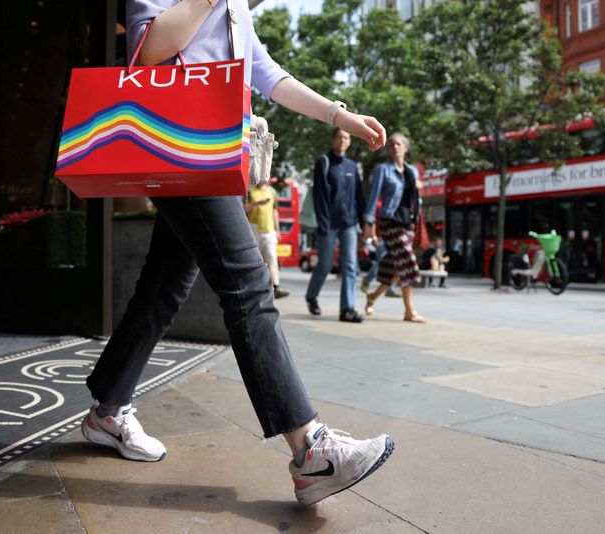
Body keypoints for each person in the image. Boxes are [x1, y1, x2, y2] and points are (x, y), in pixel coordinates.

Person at [81, 0, 394, 506]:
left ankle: (107, 410)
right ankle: (312, 451)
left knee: (164, 286)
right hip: (179, 142)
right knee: (248, 283)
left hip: (214, 150)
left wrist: (339, 115)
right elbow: (147, 48)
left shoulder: (235, 8)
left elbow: (265, 72)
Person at [362, 133, 426, 323]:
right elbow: (373, 197)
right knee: (407, 262)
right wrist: (369, 223)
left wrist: (418, 189)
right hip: (390, 222)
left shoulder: (412, 172)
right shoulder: (383, 170)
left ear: (406, 149)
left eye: (398, 144)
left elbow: (415, 199)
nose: (394, 147)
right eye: (391, 145)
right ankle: (409, 311)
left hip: (409, 223)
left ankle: (372, 297)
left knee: (394, 268)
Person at [303, 129, 364, 323]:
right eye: (339, 137)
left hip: (349, 223)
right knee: (325, 264)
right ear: (332, 140)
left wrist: (363, 223)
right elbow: (320, 195)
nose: (342, 140)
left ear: (350, 141)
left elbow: (358, 196)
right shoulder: (324, 162)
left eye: (346, 137)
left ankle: (347, 309)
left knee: (350, 265)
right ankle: (312, 296)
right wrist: (323, 223)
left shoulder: (353, 167)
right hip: (328, 223)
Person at [245, 179, 289, 299]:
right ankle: (253, 287)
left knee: (272, 260)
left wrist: (278, 230)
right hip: (254, 229)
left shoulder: (272, 192)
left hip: (269, 230)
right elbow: (244, 209)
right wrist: (257, 204)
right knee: (254, 260)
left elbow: (275, 212)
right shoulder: (250, 190)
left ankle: (276, 287)